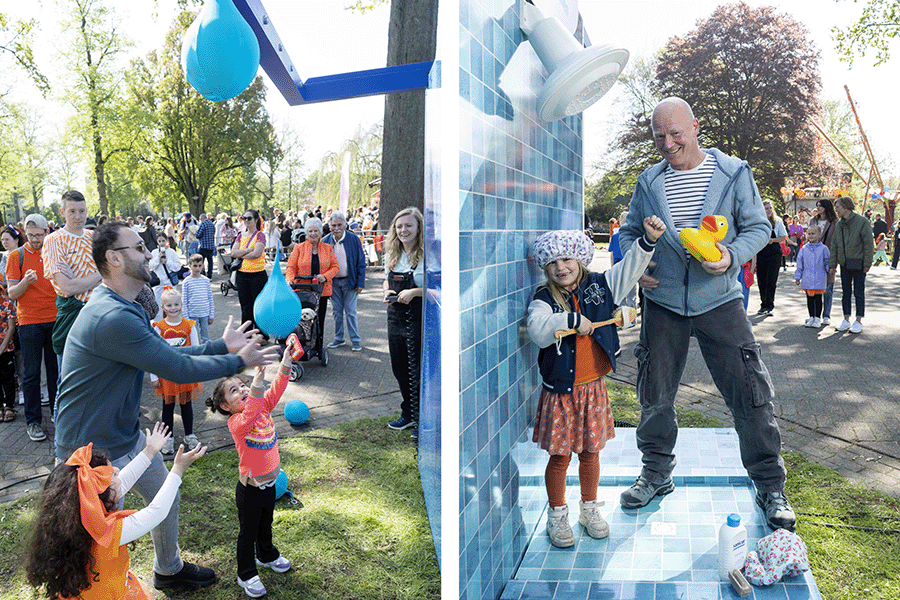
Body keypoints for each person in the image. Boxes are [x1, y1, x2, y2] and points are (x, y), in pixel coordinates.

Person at [54, 221, 281, 590]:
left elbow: (168, 354)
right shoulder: (111, 316)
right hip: (88, 451)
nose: (148, 253)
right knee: (96, 542)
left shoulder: (127, 308)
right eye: (138, 247)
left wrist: (221, 346)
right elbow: (176, 368)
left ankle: (169, 569)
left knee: (166, 496)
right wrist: (237, 361)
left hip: (126, 436)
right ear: (114, 258)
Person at [618, 97, 795, 531]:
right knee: (654, 394)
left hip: (720, 301)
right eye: (659, 136)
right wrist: (637, 267)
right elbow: (628, 232)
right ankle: (656, 473)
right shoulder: (648, 181)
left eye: (675, 133)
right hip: (662, 304)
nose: (667, 143)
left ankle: (770, 486)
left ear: (695, 127)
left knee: (750, 393)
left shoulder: (734, 172)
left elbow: (758, 227)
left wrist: (731, 256)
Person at [526, 221, 663, 547]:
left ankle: (589, 509)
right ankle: (557, 514)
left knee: (590, 453)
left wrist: (648, 240)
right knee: (560, 457)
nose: (561, 267)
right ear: (546, 268)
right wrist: (571, 320)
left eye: (567, 260)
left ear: (579, 259)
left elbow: (629, 268)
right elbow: (537, 329)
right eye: (553, 263)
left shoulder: (600, 285)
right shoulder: (544, 298)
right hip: (560, 393)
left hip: (593, 390)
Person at [25, 424, 205, 600]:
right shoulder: (108, 533)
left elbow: (120, 485)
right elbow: (157, 512)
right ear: (100, 495)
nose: (119, 471)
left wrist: (149, 451)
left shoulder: (76, 519)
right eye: (113, 474)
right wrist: (177, 470)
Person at [205, 337, 298, 597]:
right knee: (248, 533)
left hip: (270, 485)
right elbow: (251, 410)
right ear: (225, 406)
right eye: (234, 391)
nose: (243, 390)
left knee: (266, 525)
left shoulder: (263, 407)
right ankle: (246, 574)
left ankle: (266, 555)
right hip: (250, 490)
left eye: (243, 385)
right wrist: (256, 382)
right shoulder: (237, 423)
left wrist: (286, 361)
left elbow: (276, 389)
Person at [41, 190, 102, 394]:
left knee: (99, 380)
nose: (78, 216)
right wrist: (99, 275)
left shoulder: (94, 237)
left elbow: (112, 276)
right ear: (62, 212)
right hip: (72, 319)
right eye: (72, 211)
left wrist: (79, 280)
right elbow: (67, 288)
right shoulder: (54, 240)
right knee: (70, 384)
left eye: (82, 211)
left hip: (99, 317)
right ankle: (65, 417)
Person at [6, 215, 58, 433]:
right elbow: (11, 293)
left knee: (55, 371)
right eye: (31, 235)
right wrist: (26, 282)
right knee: (31, 373)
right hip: (29, 322)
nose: (35, 239)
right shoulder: (16, 256)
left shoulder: (54, 253)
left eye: (39, 235)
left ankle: (57, 414)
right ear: (25, 234)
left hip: (56, 319)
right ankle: (33, 421)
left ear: (47, 232)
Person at [381, 207, 425, 439]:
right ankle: (408, 413)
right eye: (399, 226)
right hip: (395, 318)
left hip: (418, 319)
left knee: (417, 369)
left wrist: (415, 292)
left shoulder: (429, 255)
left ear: (418, 228)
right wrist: (387, 291)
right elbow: (385, 280)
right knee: (399, 368)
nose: (403, 230)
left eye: (408, 225)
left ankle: (422, 419)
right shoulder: (392, 254)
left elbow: (440, 288)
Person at [152, 286, 203, 454]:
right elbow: (154, 353)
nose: (173, 308)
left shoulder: (189, 325)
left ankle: (189, 435)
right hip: (166, 376)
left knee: (186, 405)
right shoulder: (159, 327)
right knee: (167, 407)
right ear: (163, 307)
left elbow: (196, 350)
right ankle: (168, 439)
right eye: (169, 305)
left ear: (181, 305)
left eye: (176, 304)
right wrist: (153, 376)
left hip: (184, 374)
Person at [286, 217, 338, 352]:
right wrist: (290, 279)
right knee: (300, 320)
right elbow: (291, 267)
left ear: (320, 232)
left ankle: (318, 346)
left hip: (321, 291)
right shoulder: (299, 248)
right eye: (310, 231)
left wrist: (325, 276)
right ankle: (298, 346)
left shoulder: (328, 248)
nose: (313, 234)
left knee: (319, 320)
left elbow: (335, 267)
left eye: (316, 231)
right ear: (306, 232)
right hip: (301, 291)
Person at [829, 196, 874, 334]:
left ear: (846, 207)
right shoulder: (839, 224)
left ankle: (858, 321)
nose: (836, 210)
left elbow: (868, 244)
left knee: (859, 293)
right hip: (844, 264)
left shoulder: (862, 221)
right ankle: (846, 319)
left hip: (859, 263)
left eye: (838, 207)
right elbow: (834, 245)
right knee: (846, 293)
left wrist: (867, 263)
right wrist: (833, 265)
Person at [323, 212, 366, 352]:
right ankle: (339, 338)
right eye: (333, 225)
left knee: (350, 311)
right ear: (329, 226)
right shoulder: (325, 241)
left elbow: (361, 262)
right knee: (336, 312)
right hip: (333, 282)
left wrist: (360, 283)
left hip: (350, 281)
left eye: (339, 225)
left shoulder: (354, 239)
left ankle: (355, 340)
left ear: (345, 225)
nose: (336, 228)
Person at [231, 210, 269, 340]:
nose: (246, 220)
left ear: (256, 220)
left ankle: (261, 335)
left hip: (257, 275)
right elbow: (233, 253)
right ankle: (245, 334)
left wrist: (241, 253)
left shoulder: (260, 235)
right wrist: (248, 250)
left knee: (259, 306)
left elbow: (256, 254)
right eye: (244, 218)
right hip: (242, 275)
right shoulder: (240, 235)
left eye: (249, 218)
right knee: (245, 307)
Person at [794, 223, 830, 328]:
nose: (810, 236)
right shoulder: (804, 249)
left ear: (819, 234)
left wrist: (830, 269)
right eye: (809, 233)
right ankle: (811, 317)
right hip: (807, 278)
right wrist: (798, 277)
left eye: (813, 233)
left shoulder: (824, 249)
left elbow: (827, 261)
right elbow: (800, 264)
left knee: (818, 299)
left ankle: (817, 318)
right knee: (809, 299)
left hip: (819, 278)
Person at [755, 200, 787, 315]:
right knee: (761, 280)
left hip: (774, 253)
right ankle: (763, 304)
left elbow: (784, 236)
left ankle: (770, 305)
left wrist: (773, 240)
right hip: (761, 252)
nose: (769, 210)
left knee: (771, 280)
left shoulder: (777, 221)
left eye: (770, 208)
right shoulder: (758, 222)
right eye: (766, 208)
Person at [808, 199, 838, 324]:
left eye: (821, 206)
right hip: (813, 257)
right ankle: (814, 315)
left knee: (828, 287)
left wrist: (835, 261)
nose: (818, 208)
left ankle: (826, 315)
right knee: (813, 288)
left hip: (828, 256)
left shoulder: (834, 222)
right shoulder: (813, 220)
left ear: (827, 207)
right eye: (817, 206)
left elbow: (836, 241)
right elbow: (808, 237)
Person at [149, 233, 183, 320]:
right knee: (159, 306)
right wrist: (158, 258)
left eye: (163, 241)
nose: (161, 243)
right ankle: (159, 324)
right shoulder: (154, 252)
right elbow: (151, 266)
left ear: (166, 240)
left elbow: (177, 266)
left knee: (171, 304)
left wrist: (167, 262)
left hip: (169, 282)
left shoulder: (172, 252)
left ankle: (172, 321)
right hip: (158, 284)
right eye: (159, 241)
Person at [183, 254, 214, 343]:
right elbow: (184, 301)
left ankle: (206, 350)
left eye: (200, 266)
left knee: (205, 337)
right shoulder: (186, 281)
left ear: (203, 265)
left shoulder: (206, 280)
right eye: (195, 266)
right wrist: (186, 317)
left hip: (205, 314)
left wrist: (211, 315)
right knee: (192, 337)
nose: (197, 268)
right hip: (192, 314)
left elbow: (210, 298)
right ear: (190, 266)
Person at [0, 291, 15, 423]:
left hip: (6, 348)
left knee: (8, 377)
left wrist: (3, 347)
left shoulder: (7, 304)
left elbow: (11, 327)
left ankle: (9, 406)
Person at [195, 212, 216, 279]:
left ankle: (201, 274)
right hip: (211, 246)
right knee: (210, 261)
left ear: (201, 219)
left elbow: (198, 235)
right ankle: (209, 276)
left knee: (200, 261)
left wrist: (196, 233)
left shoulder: (203, 224)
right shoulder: (212, 224)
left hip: (204, 246)